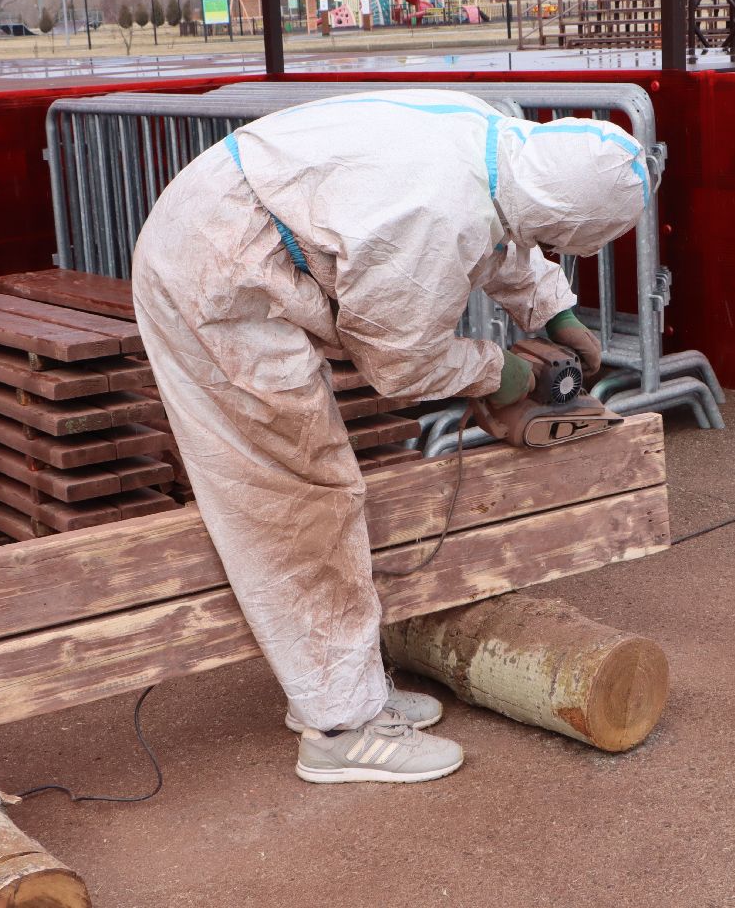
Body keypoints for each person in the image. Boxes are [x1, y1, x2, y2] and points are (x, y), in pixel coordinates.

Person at [131, 90, 649, 784]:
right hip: (218, 273)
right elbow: (401, 364)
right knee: (301, 497)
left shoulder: (497, 144)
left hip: (237, 222)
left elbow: (505, 230)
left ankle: (336, 687)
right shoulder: (429, 214)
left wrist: (555, 316)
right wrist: (498, 374)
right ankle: (341, 728)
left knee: (313, 492)